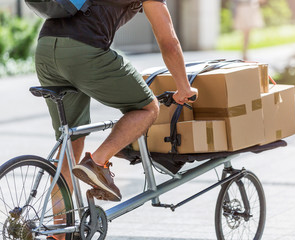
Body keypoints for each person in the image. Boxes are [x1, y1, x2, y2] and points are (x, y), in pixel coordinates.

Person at [35, 0, 197, 238]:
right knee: (148, 108)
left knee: (71, 142)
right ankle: (97, 163)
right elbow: (168, 41)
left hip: (46, 48)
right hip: (84, 49)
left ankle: (59, 231)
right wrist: (184, 87)